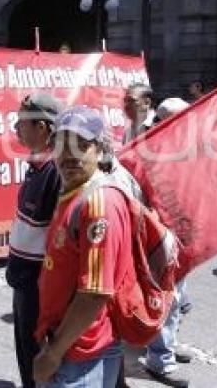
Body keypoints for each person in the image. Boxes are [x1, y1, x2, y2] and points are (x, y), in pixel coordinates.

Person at [33, 106, 132, 387]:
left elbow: (95, 293)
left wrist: (53, 355)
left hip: (81, 354)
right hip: (67, 343)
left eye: (82, 145)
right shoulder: (73, 193)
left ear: (99, 150)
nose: (70, 155)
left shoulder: (98, 203)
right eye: (62, 145)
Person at [6, 93, 63, 388]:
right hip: (23, 280)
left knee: (37, 362)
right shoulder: (37, 165)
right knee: (26, 357)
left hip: (39, 285)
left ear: (42, 127)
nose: (16, 128)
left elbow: (59, 238)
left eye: (22, 122)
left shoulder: (56, 171)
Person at [140, 98, 192, 388]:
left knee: (182, 301)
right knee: (167, 301)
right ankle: (160, 360)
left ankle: (167, 344)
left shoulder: (183, 149)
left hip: (182, 237)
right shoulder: (148, 152)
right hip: (159, 240)